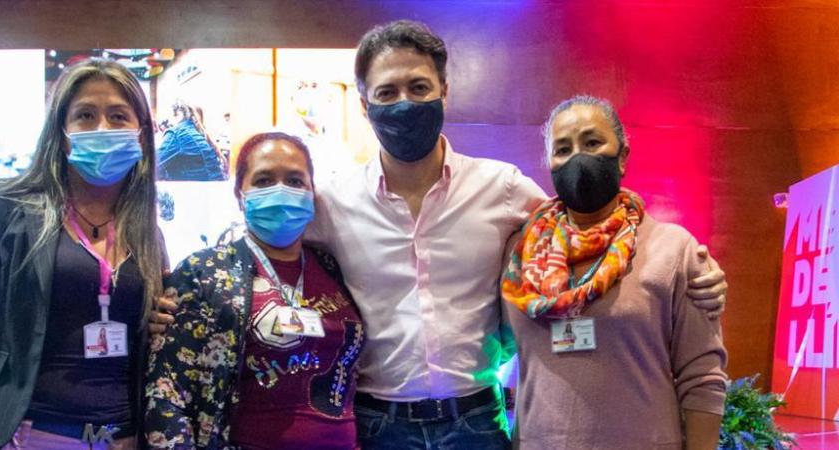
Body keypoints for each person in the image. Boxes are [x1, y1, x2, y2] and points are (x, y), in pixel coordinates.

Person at [301, 20, 729, 449]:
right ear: (364, 105)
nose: (405, 103)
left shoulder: (501, 188)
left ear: (444, 92)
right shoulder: (333, 202)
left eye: (418, 87)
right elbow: (277, 259)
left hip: (475, 421)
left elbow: (577, 219)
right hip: (379, 423)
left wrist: (692, 270)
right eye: (387, 93)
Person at [0, 58, 165, 450]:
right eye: (85, 115)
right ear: (61, 133)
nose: (102, 128)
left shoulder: (147, 233)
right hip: (22, 436)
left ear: (141, 133)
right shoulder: (3, 207)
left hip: (119, 438)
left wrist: (161, 320)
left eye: (118, 116)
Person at [501, 95, 728, 450]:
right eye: (563, 149)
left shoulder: (673, 249)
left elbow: (703, 378)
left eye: (592, 143)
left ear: (622, 156)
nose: (578, 157)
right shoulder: (521, 256)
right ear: (549, 164)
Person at [144, 132, 363, 450]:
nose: (281, 190)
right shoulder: (204, 273)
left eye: (295, 180)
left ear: (312, 193)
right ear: (240, 194)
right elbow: (167, 392)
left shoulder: (333, 266)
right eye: (263, 180)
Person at [155, 100, 228, 181]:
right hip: (214, 186)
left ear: (178, 114)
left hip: (196, 188)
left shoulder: (176, 133)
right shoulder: (195, 132)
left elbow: (153, 164)